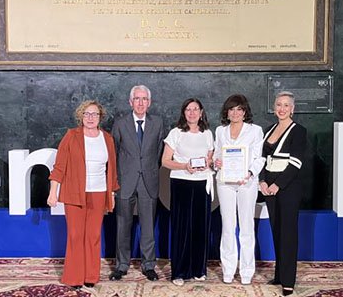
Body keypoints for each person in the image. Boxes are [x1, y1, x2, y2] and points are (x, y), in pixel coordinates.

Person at [47, 100, 119, 289]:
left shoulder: (108, 138)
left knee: (93, 235)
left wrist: (111, 193)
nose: (90, 118)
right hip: (74, 193)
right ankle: (74, 277)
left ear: (100, 117)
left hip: (98, 192)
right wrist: (53, 192)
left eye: (94, 114)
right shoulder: (71, 136)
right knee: (76, 234)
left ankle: (90, 276)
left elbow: (111, 169)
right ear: (81, 116)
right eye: (86, 114)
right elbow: (59, 166)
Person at [109, 85, 166, 281]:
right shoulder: (120, 123)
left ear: (149, 103)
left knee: (148, 227)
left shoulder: (158, 123)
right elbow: (114, 153)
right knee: (123, 225)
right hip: (125, 181)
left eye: (144, 99)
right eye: (137, 99)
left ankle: (148, 265)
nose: (140, 103)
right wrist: (115, 182)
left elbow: (159, 152)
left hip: (149, 182)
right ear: (130, 102)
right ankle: (122, 265)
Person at [161, 98, 214, 286]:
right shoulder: (176, 133)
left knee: (200, 227)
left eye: (195, 109)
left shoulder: (208, 133)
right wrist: (185, 165)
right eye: (188, 110)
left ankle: (198, 269)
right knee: (182, 228)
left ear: (201, 112)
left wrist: (209, 163)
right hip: (181, 182)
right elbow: (165, 161)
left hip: (202, 184)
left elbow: (210, 158)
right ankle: (179, 272)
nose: (192, 113)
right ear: (184, 113)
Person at [259, 91, 307, 296]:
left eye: (286, 105)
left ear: (292, 109)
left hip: (287, 188)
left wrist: (277, 185)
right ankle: (279, 274)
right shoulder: (269, 129)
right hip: (268, 186)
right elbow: (260, 158)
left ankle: (288, 281)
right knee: (276, 229)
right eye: (279, 104)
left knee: (288, 233)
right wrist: (261, 180)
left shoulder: (299, 131)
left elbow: (296, 162)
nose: (282, 108)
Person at [213, 94, 265, 285]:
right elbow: (216, 155)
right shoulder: (220, 131)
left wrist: (250, 173)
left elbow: (260, 157)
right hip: (225, 182)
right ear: (227, 112)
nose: (235, 113)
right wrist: (216, 162)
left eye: (239, 109)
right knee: (227, 226)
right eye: (232, 109)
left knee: (246, 227)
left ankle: (246, 271)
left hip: (246, 183)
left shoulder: (255, 131)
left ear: (245, 112)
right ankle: (228, 270)